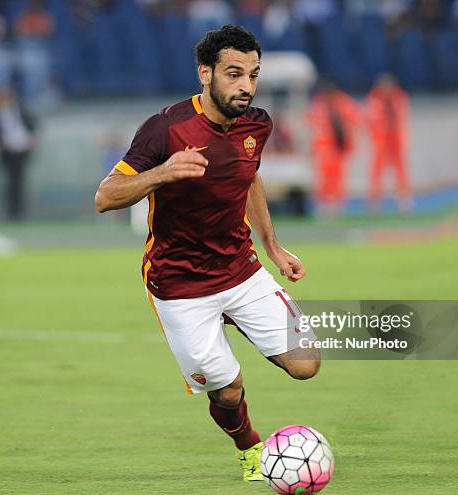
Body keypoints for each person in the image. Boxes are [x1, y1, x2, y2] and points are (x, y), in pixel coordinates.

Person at [95, 25, 320, 482]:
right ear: (205, 73)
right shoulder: (165, 129)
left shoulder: (257, 123)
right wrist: (162, 172)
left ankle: (236, 317)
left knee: (306, 364)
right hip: (180, 286)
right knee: (229, 393)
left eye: (253, 75)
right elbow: (106, 196)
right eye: (234, 74)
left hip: (241, 270)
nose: (246, 86)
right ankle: (250, 449)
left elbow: (249, 177)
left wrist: (273, 247)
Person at [308, 81, 361, 215]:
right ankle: (324, 203)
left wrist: (347, 139)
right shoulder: (319, 105)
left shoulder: (343, 103)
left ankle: (337, 203)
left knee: (338, 176)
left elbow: (354, 121)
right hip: (324, 148)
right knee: (325, 177)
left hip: (337, 147)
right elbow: (312, 124)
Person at [0, 88, 37, 221]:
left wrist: (32, 139)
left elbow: (32, 125)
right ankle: (10, 212)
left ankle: (20, 211)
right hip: (7, 152)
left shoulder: (20, 110)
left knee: (19, 182)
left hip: (21, 149)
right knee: (10, 183)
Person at [366, 73, 412, 213]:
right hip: (381, 139)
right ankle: (375, 201)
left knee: (400, 170)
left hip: (395, 138)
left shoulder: (399, 98)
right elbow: (371, 119)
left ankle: (403, 200)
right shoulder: (374, 99)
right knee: (377, 170)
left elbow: (401, 115)